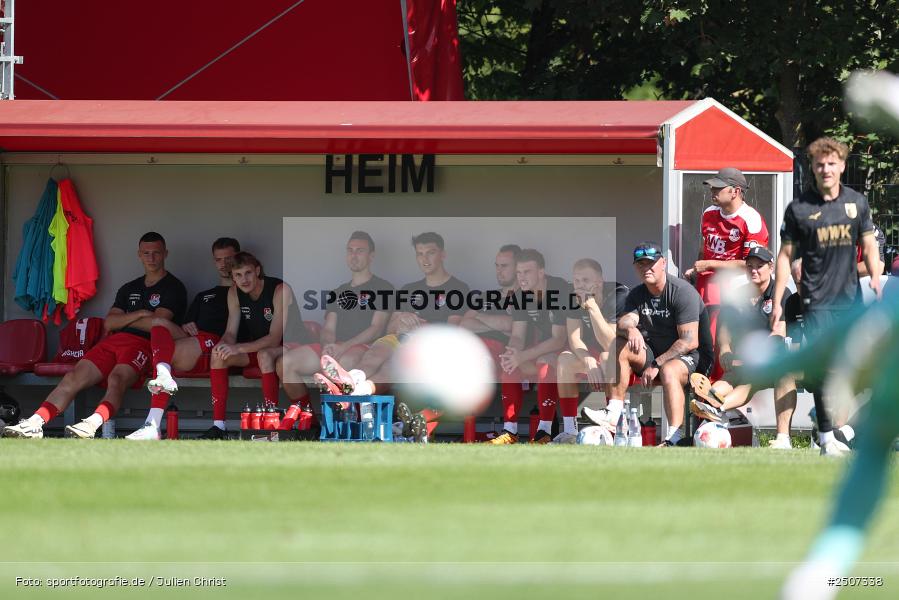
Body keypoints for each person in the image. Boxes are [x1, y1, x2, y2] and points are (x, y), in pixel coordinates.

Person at [3, 232, 187, 439]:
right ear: (139, 254)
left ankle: (91, 424)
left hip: (144, 344)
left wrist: (126, 318)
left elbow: (158, 324)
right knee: (73, 376)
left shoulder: (174, 287)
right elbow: (109, 322)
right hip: (114, 341)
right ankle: (35, 422)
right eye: (146, 253)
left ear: (165, 254)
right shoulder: (130, 287)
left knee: (117, 379)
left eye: (156, 253)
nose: (151, 258)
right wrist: (141, 314)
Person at [771, 136, 881, 456]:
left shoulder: (857, 203)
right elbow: (784, 256)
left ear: (842, 166)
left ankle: (845, 431)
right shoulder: (800, 208)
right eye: (819, 164)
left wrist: (874, 274)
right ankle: (827, 437)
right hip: (816, 300)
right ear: (813, 168)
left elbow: (869, 244)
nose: (825, 168)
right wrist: (778, 300)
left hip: (851, 299)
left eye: (832, 163)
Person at [316, 232, 469, 439]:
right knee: (376, 352)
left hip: (430, 348)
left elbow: (452, 330)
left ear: (442, 254)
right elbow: (390, 329)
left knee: (391, 368)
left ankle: (355, 391)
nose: (425, 259)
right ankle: (353, 381)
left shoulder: (458, 289)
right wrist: (403, 318)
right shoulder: (408, 290)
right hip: (400, 340)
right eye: (420, 254)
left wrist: (421, 327)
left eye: (430, 253)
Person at [125, 237, 241, 441]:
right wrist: (188, 326)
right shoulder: (205, 295)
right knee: (159, 323)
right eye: (219, 259)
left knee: (165, 358)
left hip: (218, 346)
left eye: (229, 258)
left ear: (238, 258)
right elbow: (185, 326)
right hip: (195, 343)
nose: (224, 264)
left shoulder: (245, 292)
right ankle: (162, 376)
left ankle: (152, 424)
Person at [687, 246, 797, 448]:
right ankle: (709, 402)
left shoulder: (782, 292)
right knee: (732, 377)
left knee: (755, 378)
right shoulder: (737, 296)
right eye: (750, 266)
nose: (753, 270)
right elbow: (724, 330)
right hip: (746, 362)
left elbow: (779, 331)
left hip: (777, 359)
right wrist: (726, 349)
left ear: (771, 267)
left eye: (759, 266)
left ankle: (718, 408)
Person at [276, 231, 393, 416]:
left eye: (360, 250)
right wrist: (327, 346)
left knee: (346, 362)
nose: (354, 255)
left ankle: (346, 421)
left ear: (371, 256)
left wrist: (343, 347)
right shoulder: (338, 292)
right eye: (350, 250)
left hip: (363, 348)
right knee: (286, 363)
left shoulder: (383, 287)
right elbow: (329, 328)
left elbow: (376, 328)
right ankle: (309, 419)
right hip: (336, 348)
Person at [202, 252, 310, 440]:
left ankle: (272, 424)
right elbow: (230, 332)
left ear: (257, 270)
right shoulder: (234, 292)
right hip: (260, 348)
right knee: (218, 355)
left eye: (248, 273)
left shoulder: (279, 289)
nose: (244, 280)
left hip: (292, 346)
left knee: (265, 355)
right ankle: (218, 426)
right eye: (238, 275)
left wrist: (238, 348)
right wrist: (223, 345)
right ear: (232, 277)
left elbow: (275, 338)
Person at [606, 242, 705, 446]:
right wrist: (631, 328)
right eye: (641, 264)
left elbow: (690, 340)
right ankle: (612, 415)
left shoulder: (681, 291)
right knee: (619, 344)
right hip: (655, 355)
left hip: (691, 357)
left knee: (669, 369)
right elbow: (624, 321)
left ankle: (674, 437)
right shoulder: (637, 293)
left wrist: (656, 364)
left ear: (663, 263)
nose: (646, 268)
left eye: (651, 263)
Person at [488, 249, 570, 445]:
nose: (521, 278)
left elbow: (559, 339)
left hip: (571, 350)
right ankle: (510, 431)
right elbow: (517, 335)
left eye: (527, 272)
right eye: (518, 273)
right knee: (510, 366)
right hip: (543, 347)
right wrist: (512, 353)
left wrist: (522, 355)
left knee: (545, 363)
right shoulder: (520, 295)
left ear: (541, 272)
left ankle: (544, 431)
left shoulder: (558, 289)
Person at [685, 168, 769, 360]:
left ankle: (723, 381)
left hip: (734, 286)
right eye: (712, 188)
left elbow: (752, 264)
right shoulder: (708, 213)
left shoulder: (752, 219)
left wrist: (709, 265)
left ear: (736, 191)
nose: (712, 192)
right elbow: (704, 246)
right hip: (706, 283)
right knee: (703, 334)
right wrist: (696, 269)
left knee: (723, 337)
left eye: (718, 188)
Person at [556, 258, 628, 443]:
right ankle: (570, 430)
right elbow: (574, 338)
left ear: (599, 282)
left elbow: (610, 343)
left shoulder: (618, 294)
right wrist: (587, 360)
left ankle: (611, 425)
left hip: (622, 357)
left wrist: (593, 307)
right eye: (577, 281)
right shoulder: (574, 297)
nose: (580, 286)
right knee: (564, 360)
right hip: (591, 353)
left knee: (606, 356)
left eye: (586, 281)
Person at [460, 244, 521, 361]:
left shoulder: (526, 297)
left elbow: (509, 324)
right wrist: (500, 328)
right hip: (472, 346)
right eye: (497, 266)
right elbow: (463, 324)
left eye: (504, 266)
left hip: (497, 350)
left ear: (517, 267)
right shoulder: (486, 296)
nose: (499, 271)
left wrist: (478, 317)